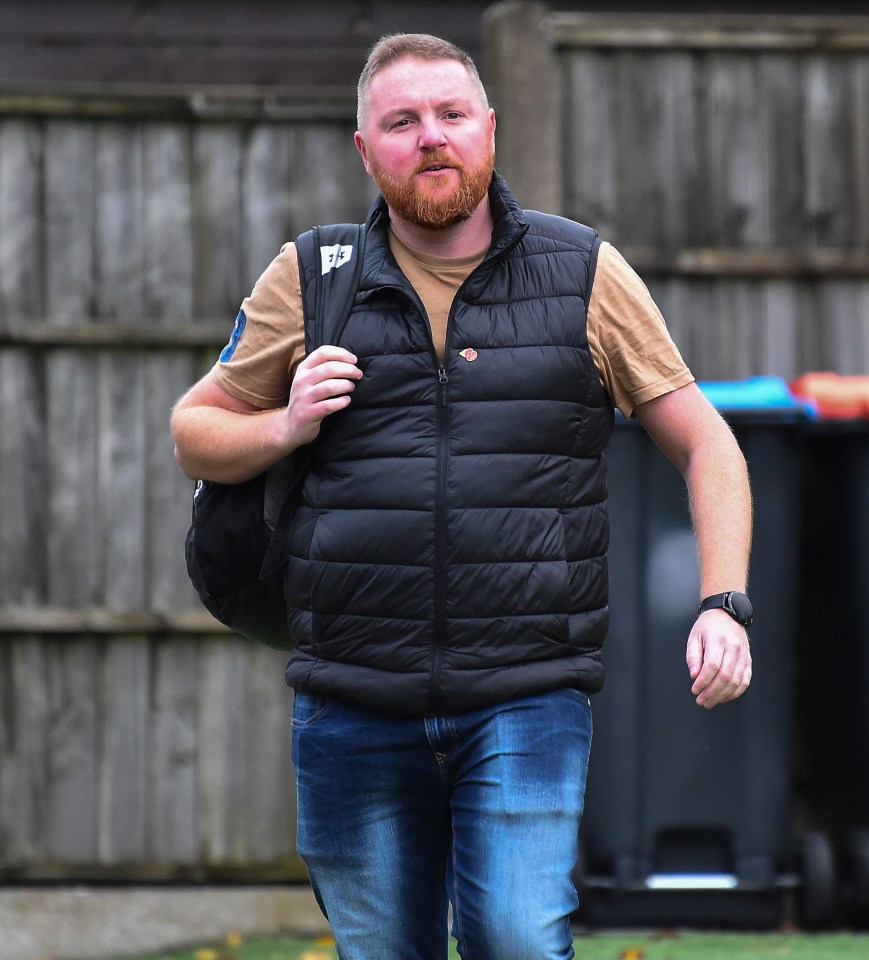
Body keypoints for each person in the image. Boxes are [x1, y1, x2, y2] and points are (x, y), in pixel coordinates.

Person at [171, 32, 752, 960]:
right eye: (401, 122)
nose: (430, 138)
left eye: (449, 115)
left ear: (489, 130)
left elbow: (708, 443)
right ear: (366, 149)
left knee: (518, 942)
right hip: (350, 698)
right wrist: (284, 424)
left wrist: (723, 602)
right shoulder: (313, 278)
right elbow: (193, 430)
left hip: (525, 694)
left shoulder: (583, 274)